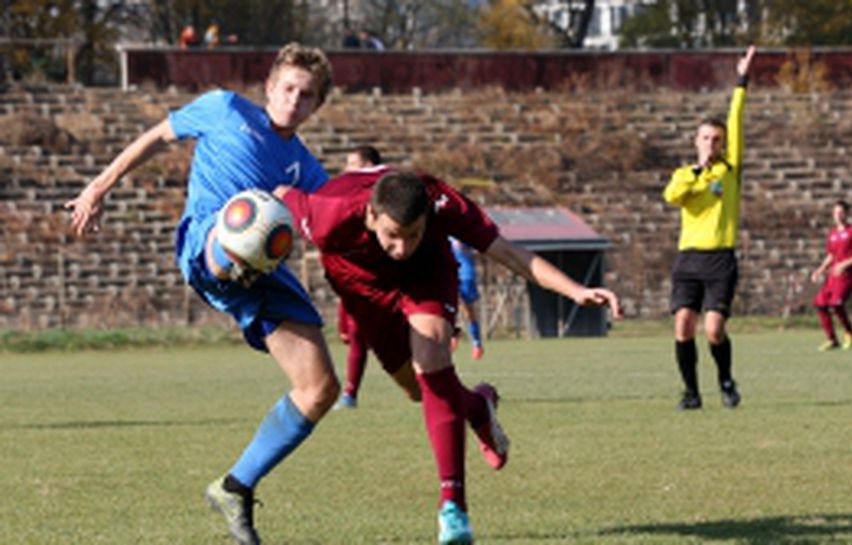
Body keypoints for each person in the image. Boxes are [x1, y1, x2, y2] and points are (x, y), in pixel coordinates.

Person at [65, 43, 336, 545]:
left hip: (266, 274)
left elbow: (330, 228)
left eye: (307, 95)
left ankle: (236, 486)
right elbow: (158, 137)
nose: (294, 100)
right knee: (247, 221)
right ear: (270, 87)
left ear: (316, 106)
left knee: (320, 388)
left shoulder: (307, 170)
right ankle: (232, 255)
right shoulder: (223, 108)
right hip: (209, 243)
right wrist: (100, 186)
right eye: (289, 88)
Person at [276, 170, 621, 544]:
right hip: (365, 294)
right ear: (372, 216)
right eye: (392, 236)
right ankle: (478, 407)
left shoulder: (442, 204)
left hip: (427, 276)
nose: (402, 248)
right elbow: (278, 194)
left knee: (432, 363)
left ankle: (453, 507)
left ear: (427, 219)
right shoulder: (326, 213)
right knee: (416, 391)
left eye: (413, 235)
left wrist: (575, 291)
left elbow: (506, 252)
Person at [662, 45, 756, 411]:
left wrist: (742, 80)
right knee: (683, 326)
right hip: (688, 260)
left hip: (720, 259)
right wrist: (698, 172)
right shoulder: (686, 176)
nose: (712, 144)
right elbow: (671, 196)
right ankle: (691, 392)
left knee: (713, 330)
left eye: (717, 139)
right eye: (706, 138)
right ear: (696, 141)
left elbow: (737, 115)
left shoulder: (730, 170)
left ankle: (726, 381)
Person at [333, 145, 384, 410]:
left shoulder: (384, 198)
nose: (346, 170)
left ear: (368, 167)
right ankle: (350, 394)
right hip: (355, 280)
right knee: (355, 335)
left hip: (384, 278)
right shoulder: (345, 199)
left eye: (352, 164)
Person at [811, 200, 852, 351]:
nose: (837, 215)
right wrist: (820, 269)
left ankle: (849, 333)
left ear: (846, 214)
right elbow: (831, 254)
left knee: (836, 304)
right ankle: (832, 339)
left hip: (847, 276)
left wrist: (844, 264)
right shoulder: (833, 233)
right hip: (832, 277)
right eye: (835, 212)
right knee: (820, 304)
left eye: (840, 212)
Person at [449, 237, 485, 360]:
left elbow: (481, 248)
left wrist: (469, 251)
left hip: (465, 274)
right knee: (448, 305)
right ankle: (453, 334)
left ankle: (477, 343)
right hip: (448, 273)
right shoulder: (440, 229)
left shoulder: (462, 229)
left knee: (468, 310)